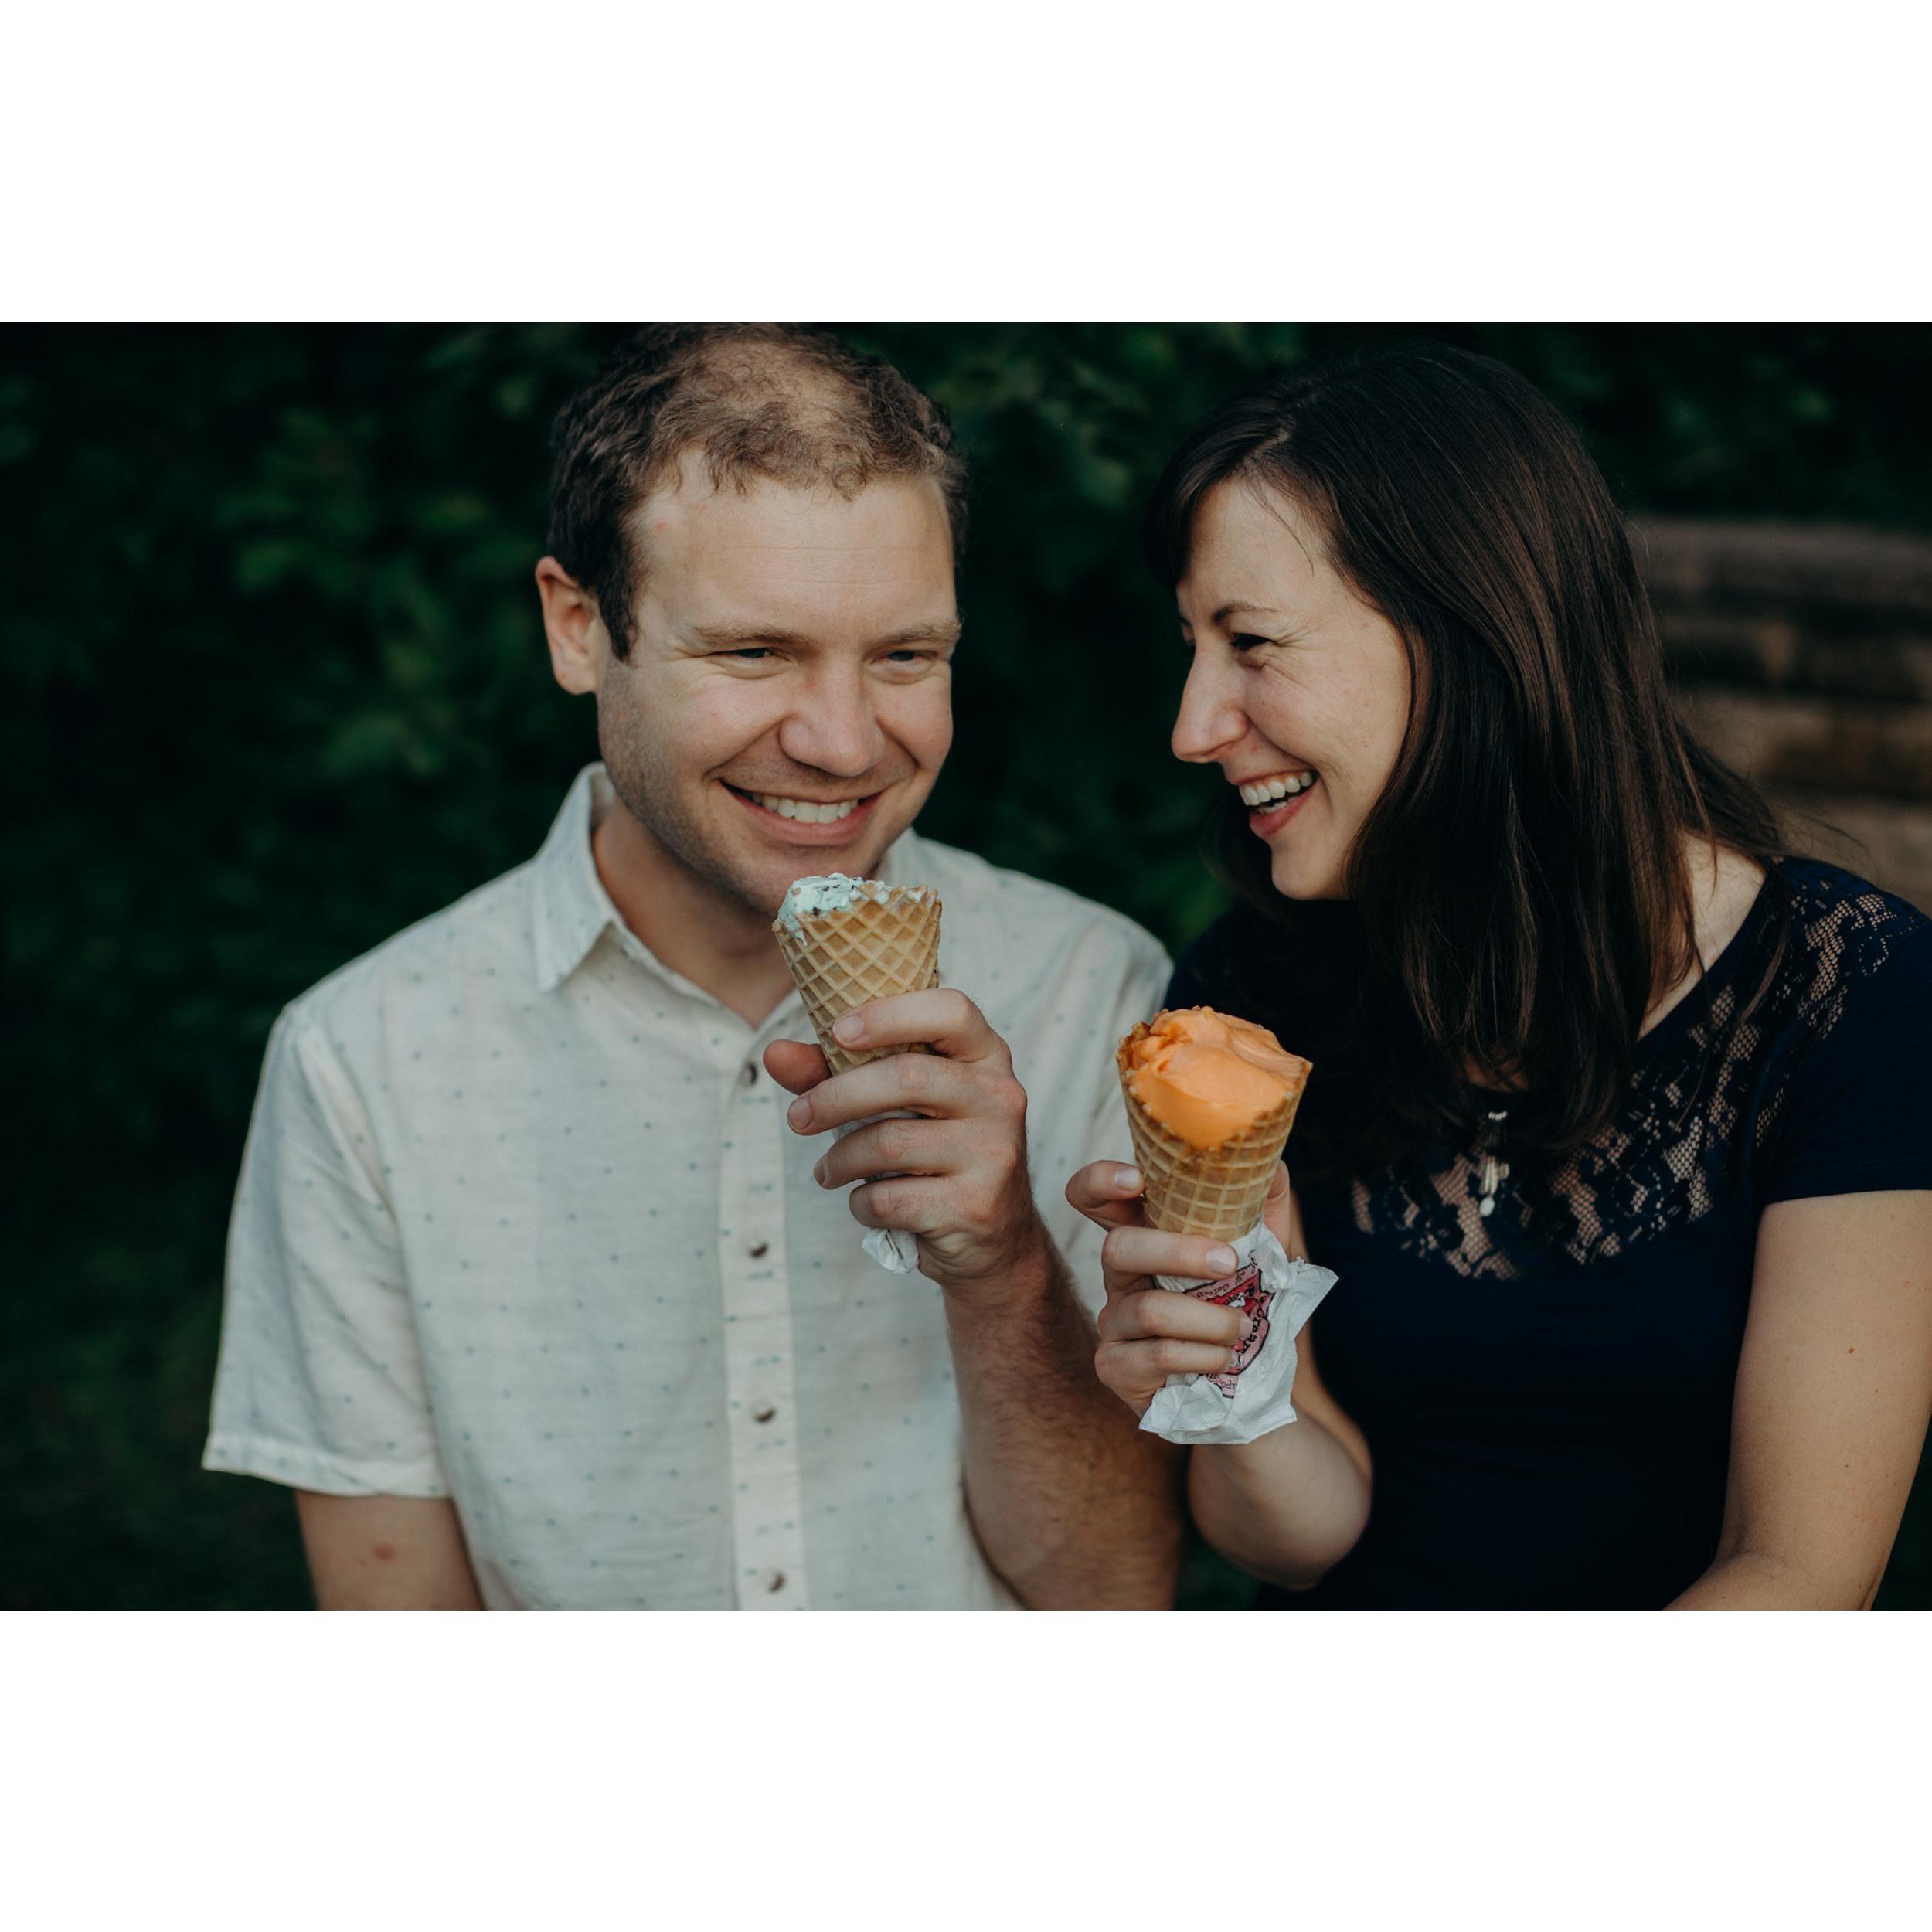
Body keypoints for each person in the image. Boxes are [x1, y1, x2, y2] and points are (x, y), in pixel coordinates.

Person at [205, 325, 1180, 1609]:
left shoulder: (1094, 991)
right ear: (575, 627)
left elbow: (1116, 1605)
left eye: (904, 655)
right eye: (753, 653)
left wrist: (1001, 1269)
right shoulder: (365, 1062)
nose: (841, 743)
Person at [1067, 344, 1932, 1609]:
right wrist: (1233, 1388)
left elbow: (1797, 1574)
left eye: (1251, 643)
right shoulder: (1252, 993)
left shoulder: (1849, 992)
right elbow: (1299, 1535)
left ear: (1466, 631)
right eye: (1195, 647)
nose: (1194, 726)